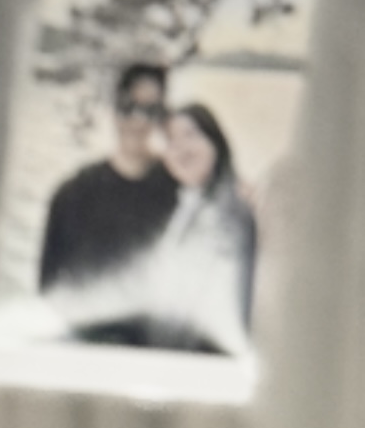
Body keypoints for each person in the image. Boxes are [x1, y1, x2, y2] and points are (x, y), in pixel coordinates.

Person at [38, 56, 178, 315]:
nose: (137, 120)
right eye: (128, 106)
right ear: (114, 109)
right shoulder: (72, 195)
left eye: (149, 111)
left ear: (162, 118)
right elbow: (49, 290)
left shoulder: (181, 195)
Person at [133, 92, 258, 353]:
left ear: (216, 143)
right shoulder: (186, 204)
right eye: (171, 140)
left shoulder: (230, 213)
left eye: (190, 135)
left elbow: (219, 309)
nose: (180, 148)